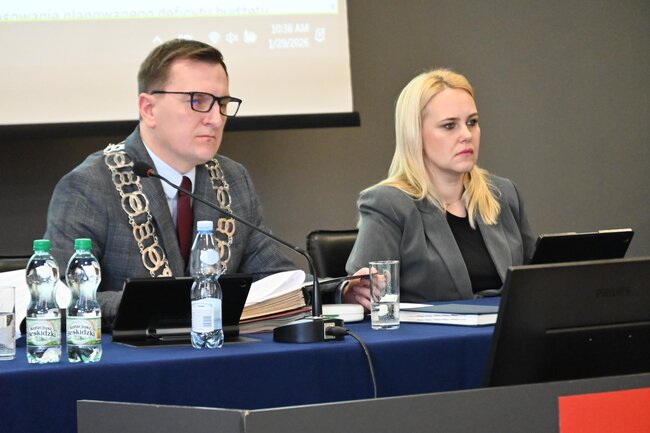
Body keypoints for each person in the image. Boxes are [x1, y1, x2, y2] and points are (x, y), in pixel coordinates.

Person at [45, 39, 296, 328]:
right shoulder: (89, 186)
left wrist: (331, 289)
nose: (216, 119)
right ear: (148, 109)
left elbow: (276, 279)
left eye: (223, 104)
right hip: (132, 353)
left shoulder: (233, 178)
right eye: (198, 101)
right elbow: (58, 295)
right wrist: (158, 303)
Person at [343, 68, 536, 310]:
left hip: (506, 330)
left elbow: (534, 279)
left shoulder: (503, 194)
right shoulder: (388, 204)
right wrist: (352, 294)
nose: (466, 135)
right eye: (449, 126)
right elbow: (360, 291)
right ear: (415, 134)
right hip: (429, 333)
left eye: (472, 122)